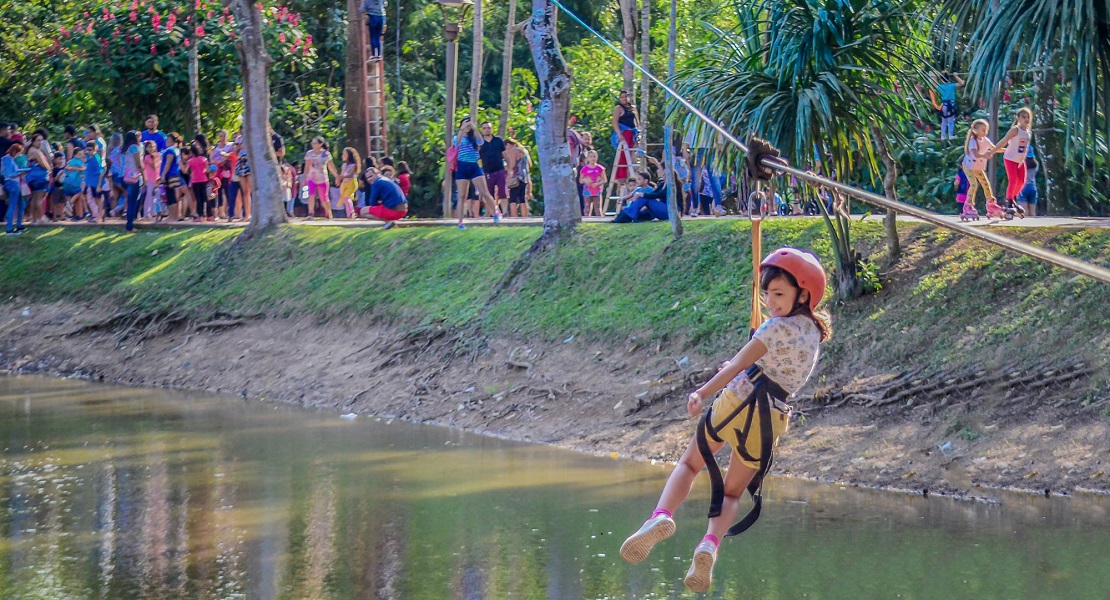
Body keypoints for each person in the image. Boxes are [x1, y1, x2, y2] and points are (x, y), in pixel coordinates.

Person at [620, 248, 831, 593]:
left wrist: (701, 393)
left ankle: (660, 517)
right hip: (771, 418)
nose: (770, 302)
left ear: (803, 294)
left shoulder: (774, 327)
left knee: (690, 464)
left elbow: (735, 367)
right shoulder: (812, 333)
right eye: (766, 295)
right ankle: (709, 545)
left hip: (737, 400)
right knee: (731, 493)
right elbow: (776, 370)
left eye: (778, 294)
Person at [452, 117, 499, 228]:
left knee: (484, 192)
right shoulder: (458, 137)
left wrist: (474, 128)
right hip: (462, 166)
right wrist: (462, 130)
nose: (467, 127)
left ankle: (495, 213)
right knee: (462, 195)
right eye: (465, 124)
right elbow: (456, 143)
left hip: (474, 166)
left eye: (469, 125)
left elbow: (481, 141)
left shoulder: (474, 138)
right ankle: (460, 222)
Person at [993, 107, 1032, 218]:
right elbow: (1004, 140)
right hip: (1010, 158)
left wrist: (1022, 159)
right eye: (1023, 117)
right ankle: (1009, 202)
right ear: (1018, 118)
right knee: (1013, 180)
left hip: (1020, 160)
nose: (1026, 119)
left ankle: (1013, 198)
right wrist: (993, 151)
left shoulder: (1028, 132)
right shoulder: (1015, 129)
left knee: (1022, 181)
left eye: (1028, 117)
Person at [961, 119, 998, 218]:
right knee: (973, 184)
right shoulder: (973, 141)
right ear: (976, 130)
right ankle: (968, 205)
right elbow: (975, 154)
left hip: (978, 167)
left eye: (986, 130)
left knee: (985, 183)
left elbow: (995, 149)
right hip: (969, 166)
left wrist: (1009, 150)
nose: (985, 132)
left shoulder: (985, 140)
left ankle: (991, 203)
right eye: (983, 130)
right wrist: (985, 155)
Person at [479, 121, 509, 217]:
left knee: (503, 191)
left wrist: (510, 167)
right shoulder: (479, 143)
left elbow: (505, 154)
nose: (487, 129)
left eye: (488, 127)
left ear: (492, 129)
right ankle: (491, 213)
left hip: (500, 170)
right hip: (487, 172)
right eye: (484, 128)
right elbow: (476, 157)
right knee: (489, 193)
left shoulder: (498, 141)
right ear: (481, 130)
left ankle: (505, 212)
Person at [303, 136, 338, 219]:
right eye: (312, 143)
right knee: (311, 194)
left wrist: (337, 176)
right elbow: (307, 166)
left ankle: (328, 212)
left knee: (324, 197)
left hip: (322, 178)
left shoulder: (326, 154)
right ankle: (310, 212)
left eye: (315, 143)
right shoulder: (309, 153)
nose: (313, 145)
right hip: (311, 177)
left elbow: (331, 166)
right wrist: (305, 177)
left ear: (320, 144)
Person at [611, 91, 640, 188]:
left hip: (632, 132)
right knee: (622, 155)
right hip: (624, 132)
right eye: (622, 97)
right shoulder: (618, 108)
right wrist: (620, 135)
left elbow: (636, 122)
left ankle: (627, 174)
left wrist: (638, 135)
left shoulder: (632, 108)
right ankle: (620, 177)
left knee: (629, 155)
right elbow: (614, 122)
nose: (624, 99)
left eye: (625, 97)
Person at [929, 71, 965, 140]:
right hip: (950, 105)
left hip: (944, 105)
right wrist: (956, 76)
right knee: (951, 120)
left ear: (942, 79)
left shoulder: (940, 87)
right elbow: (962, 83)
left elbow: (934, 85)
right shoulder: (951, 85)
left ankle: (943, 136)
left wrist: (935, 78)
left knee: (944, 121)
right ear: (948, 78)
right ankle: (951, 135)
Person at [25, 131, 52, 224]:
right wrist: (49, 169)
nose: (40, 142)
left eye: (41, 140)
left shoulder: (30, 150)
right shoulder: (35, 151)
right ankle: (40, 218)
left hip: (31, 178)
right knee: (39, 199)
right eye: (38, 140)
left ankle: (34, 219)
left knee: (34, 199)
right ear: (33, 141)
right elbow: (44, 165)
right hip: (39, 178)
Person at [3, 143, 29, 234]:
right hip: (12, 184)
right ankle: (9, 229)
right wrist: (20, 172)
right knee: (12, 206)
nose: (18, 155)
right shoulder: (8, 160)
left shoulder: (7, 159)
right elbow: (9, 174)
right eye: (18, 153)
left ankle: (19, 226)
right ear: (14, 151)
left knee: (21, 204)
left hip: (14, 184)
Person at [211, 130, 236, 220]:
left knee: (228, 191)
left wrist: (221, 161)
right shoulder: (216, 147)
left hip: (226, 172)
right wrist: (216, 162)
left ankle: (230, 212)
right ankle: (220, 212)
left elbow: (231, 156)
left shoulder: (230, 146)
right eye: (220, 136)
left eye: (223, 136)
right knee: (218, 191)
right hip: (217, 172)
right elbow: (211, 158)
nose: (222, 138)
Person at [158, 133, 184, 222]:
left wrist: (163, 175)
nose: (166, 142)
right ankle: (172, 216)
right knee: (170, 195)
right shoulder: (176, 149)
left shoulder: (170, 150)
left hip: (170, 175)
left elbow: (168, 163)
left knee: (170, 195)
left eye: (168, 140)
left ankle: (173, 216)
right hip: (174, 174)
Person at [505, 138, 533, 217]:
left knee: (513, 198)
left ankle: (514, 217)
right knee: (522, 198)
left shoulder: (513, 150)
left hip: (516, 177)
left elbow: (512, 165)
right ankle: (525, 216)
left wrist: (506, 169)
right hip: (525, 177)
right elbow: (530, 165)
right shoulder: (524, 151)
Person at [185, 141, 211, 221]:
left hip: (195, 181)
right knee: (205, 198)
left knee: (198, 198)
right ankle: (209, 215)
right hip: (203, 180)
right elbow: (208, 170)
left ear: (192, 152)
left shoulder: (190, 161)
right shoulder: (204, 159)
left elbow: (186, 171)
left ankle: (200, 216)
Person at [578, 150, 606, 217]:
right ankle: (587, 220)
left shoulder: (600, 168)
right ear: (587, 158)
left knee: (598, 207)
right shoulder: (584, 169)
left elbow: (604, 180)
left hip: (597, 191)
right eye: (591, 157)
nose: (593, 158)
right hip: (587, 191)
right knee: (587, 207)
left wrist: (597, 184)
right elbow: (580, 181)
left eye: (594, 156)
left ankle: (599, 221)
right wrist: (585, 180)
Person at [84, 140, 107, 222]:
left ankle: (99, 217)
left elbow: (101, 172)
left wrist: (99, 185)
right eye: (88, 149)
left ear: (95, 149)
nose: (89, 151)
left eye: (91, 150)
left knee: (98, 200)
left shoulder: (96, 158)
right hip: (91, 182)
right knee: (93, 199)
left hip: (97, 183)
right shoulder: (89, 157)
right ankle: (98, 215)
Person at [64, 145, 88, 221]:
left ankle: (78, 215)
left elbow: (67, 168)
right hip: (74, 181)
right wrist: (77, 168)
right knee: (79, 193)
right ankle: (70, 203)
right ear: (75, 155)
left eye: (82, 155)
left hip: (67, 181)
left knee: (78, 199)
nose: (81, 156)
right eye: (79, 155)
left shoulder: (70, 161)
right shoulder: (79, 161)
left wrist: (72, 168)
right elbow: (84, 168)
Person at [139, 140, 162, 220]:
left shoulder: (158, 155)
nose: (151, 148)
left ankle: (154, 212)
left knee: (155, 197)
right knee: (149, 196)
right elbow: (153, 166)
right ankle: (147, 213)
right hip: (149, 179)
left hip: (156, 179)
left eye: (153, 146)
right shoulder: (147, 157)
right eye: (149, 147)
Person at [233, 135, 253, 221]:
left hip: (250, 162)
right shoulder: (239, 139)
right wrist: (239, 147)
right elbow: (236, 152)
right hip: (241, 162)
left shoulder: (253, 135)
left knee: (253, 190)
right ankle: (247, 214)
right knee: (245, 191)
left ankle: (254, 213)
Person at [338, 147, 361, 219]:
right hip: (344, 183)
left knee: (346, 197)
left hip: (351, 183)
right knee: (345, 198)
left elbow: (351, 174)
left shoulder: (353, 165)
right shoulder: (344, 165)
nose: (343, 156)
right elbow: (342, 174)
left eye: (344, 154)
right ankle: (348, 214)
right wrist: (339, 179)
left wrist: (343, 177)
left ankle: (351, 213)